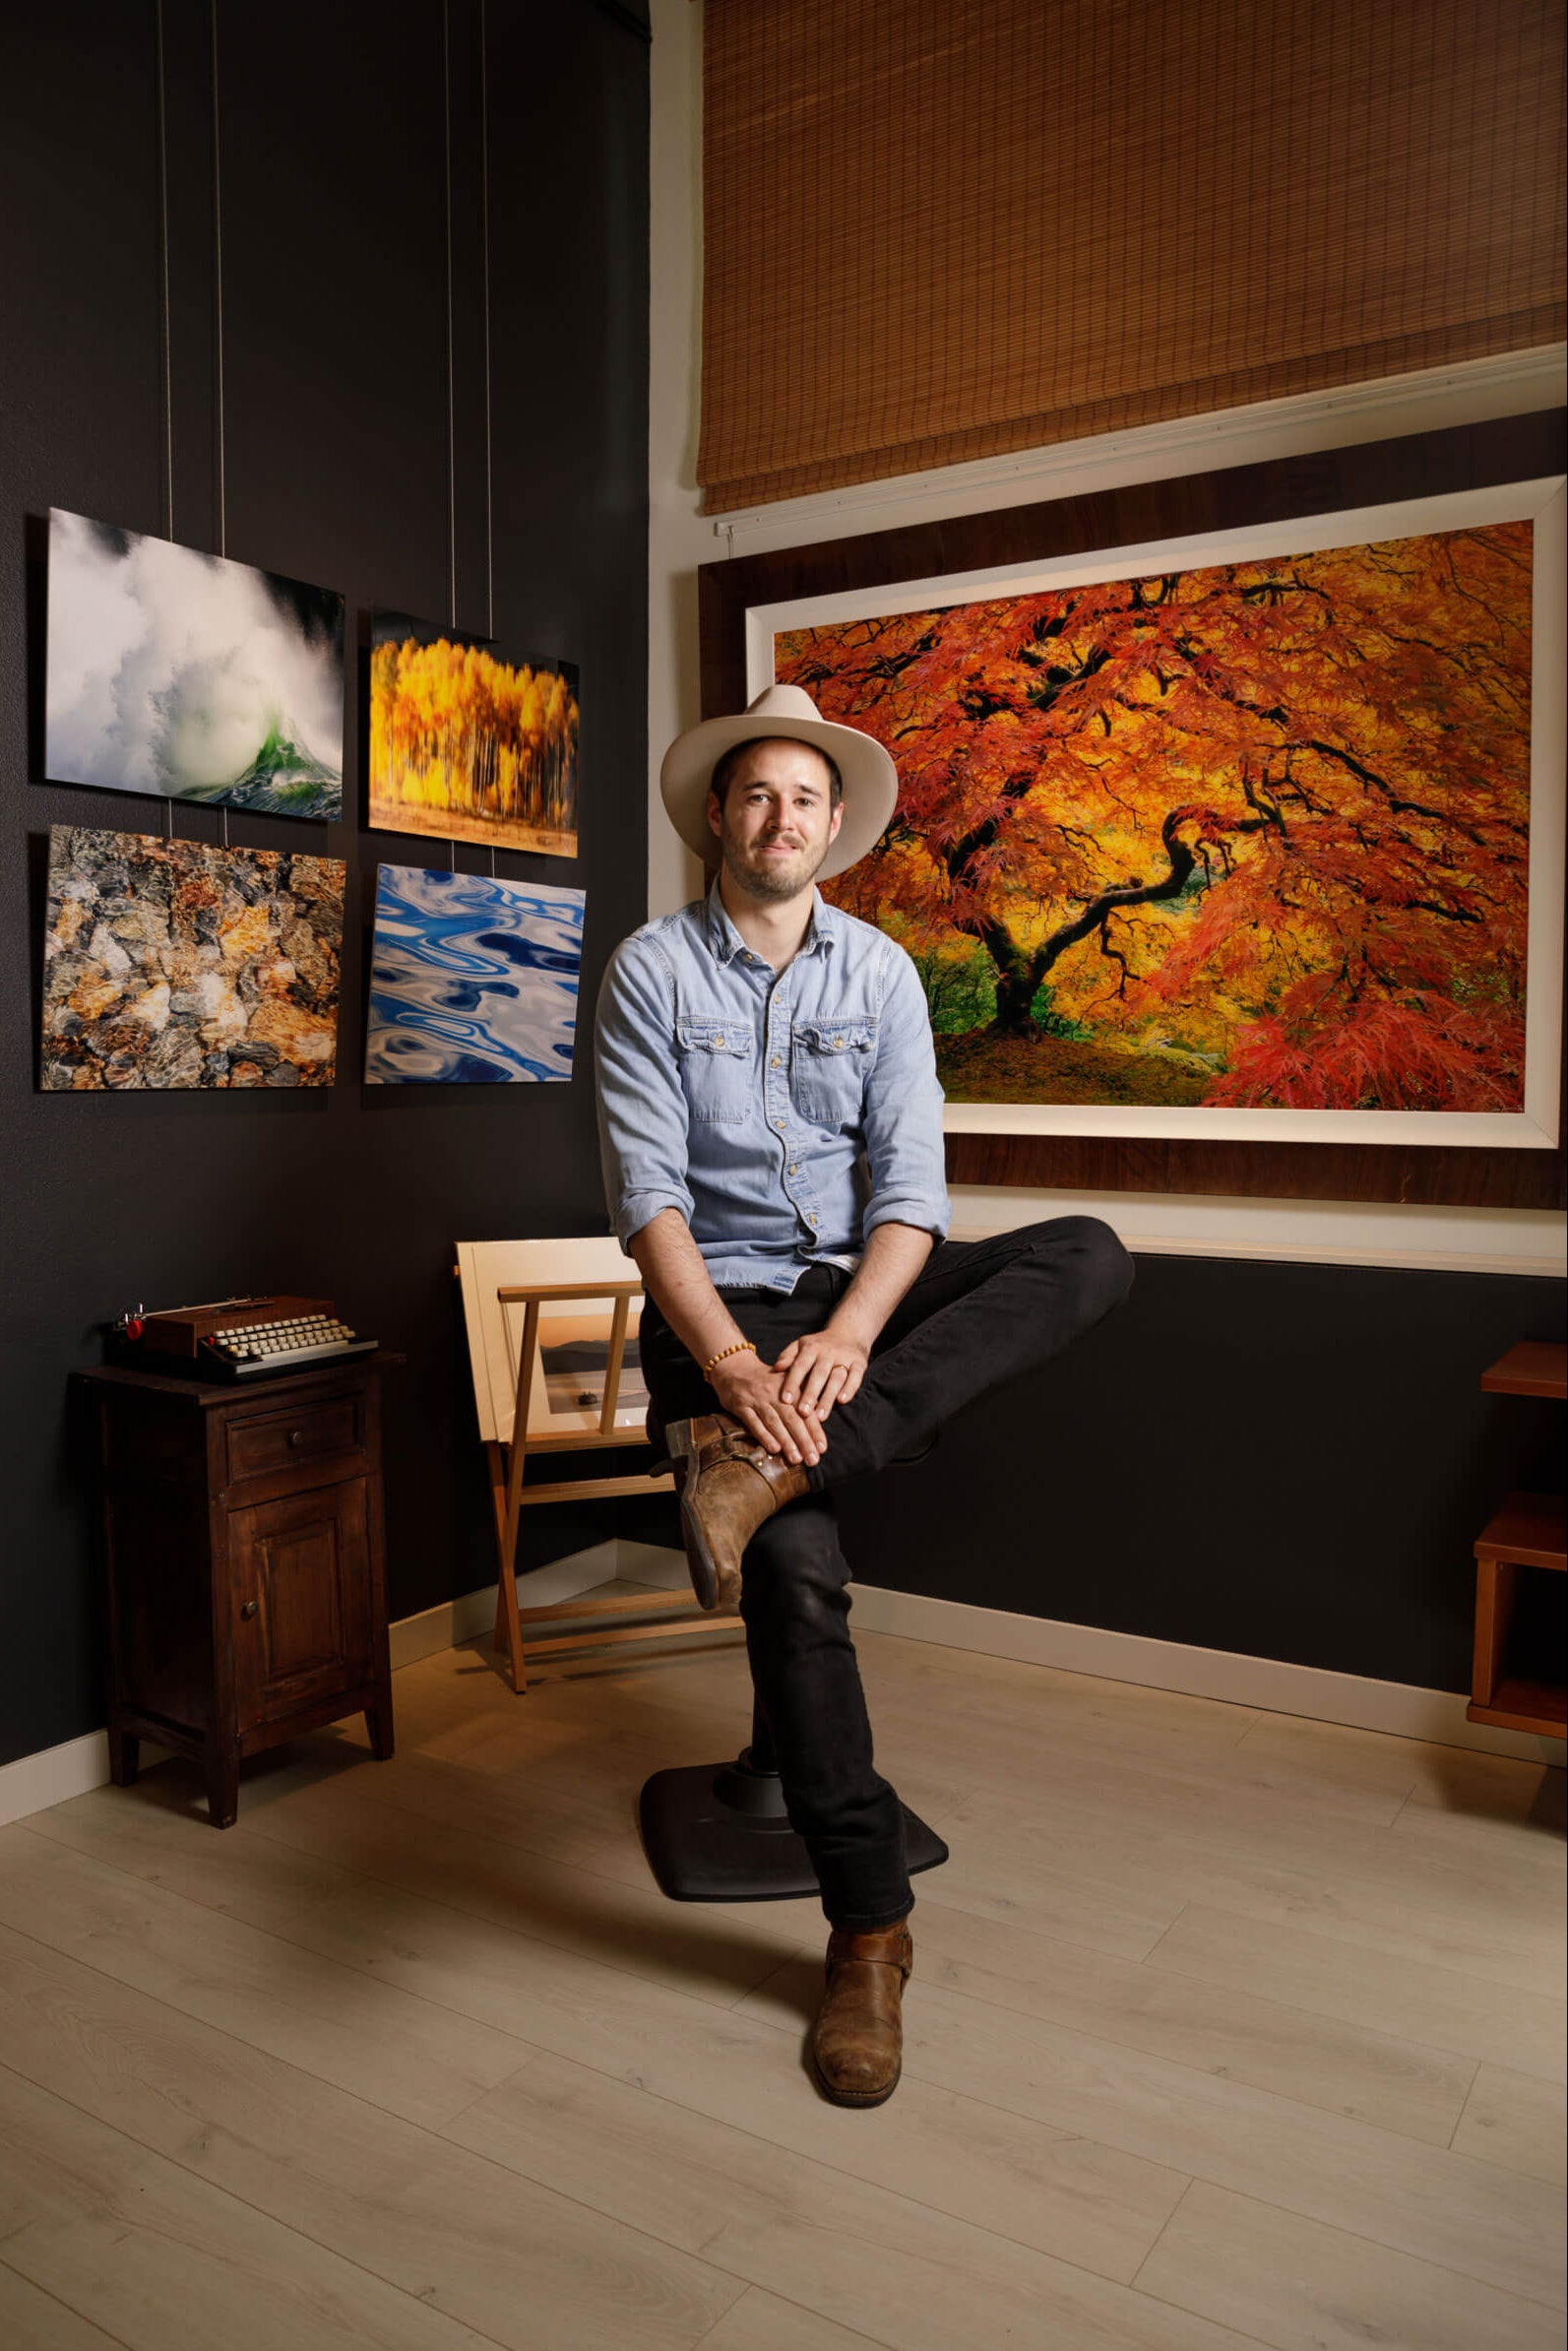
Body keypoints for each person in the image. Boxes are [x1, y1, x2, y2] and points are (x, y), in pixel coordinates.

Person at [594, 682, 1134, 2108]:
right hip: (718, 1318)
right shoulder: (650, 970)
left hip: (857, 1309)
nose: (782, 819)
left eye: (807, 801)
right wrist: (735, 1368)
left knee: (1086, 1252)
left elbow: (911, 1194)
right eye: (758, 794)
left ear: (836, 829)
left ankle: (782, 1462)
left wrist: (842, 1350)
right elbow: (646, 1201)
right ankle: (869, 1932)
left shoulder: (881, 972)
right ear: (718, 813)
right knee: (796, 1582)